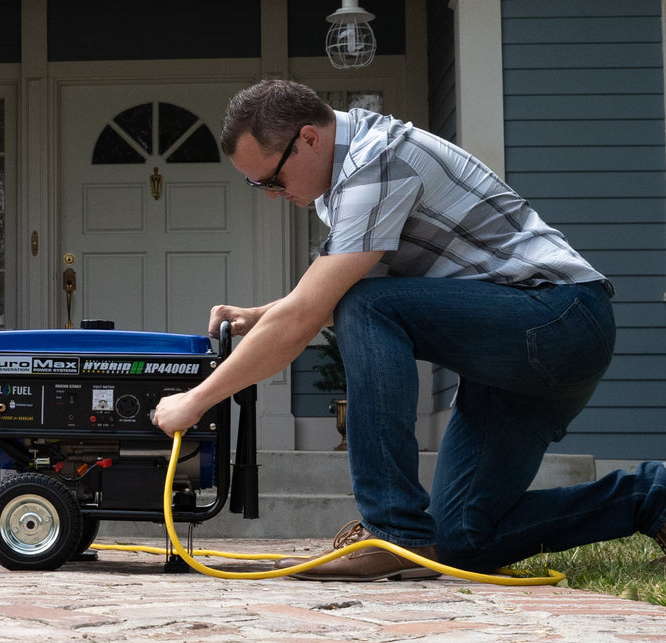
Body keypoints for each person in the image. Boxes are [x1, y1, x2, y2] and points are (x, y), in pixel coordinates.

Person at [150, 79, 666, 580]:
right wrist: (261, 316)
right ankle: (652, 496)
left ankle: (393, 530)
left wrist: (195, 401)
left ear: (308, 138)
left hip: (557, 319)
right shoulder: (349, 178)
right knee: (463, 540)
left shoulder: (378, 162)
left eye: (271, 180)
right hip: (516, 352)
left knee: (367, 305)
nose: (270, 195)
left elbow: (320, 312)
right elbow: (331, 300)